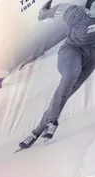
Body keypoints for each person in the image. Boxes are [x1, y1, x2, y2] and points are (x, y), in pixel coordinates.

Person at [19, 0, 95, 149]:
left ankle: (36, 132)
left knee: (65, 93)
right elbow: (59, 10)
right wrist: (43, 14)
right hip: (72, 51)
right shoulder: (76, 14)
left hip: (91, 57)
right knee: (70, 77)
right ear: (87, 11)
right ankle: (53, 121)